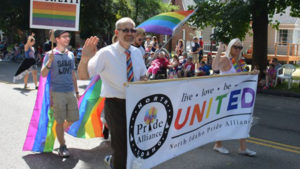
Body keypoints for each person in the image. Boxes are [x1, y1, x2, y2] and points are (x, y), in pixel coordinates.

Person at [77, 17, 147, 169]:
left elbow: (143, 75)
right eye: (125, 30)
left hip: (135, 104)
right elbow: (83, 76)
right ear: (117, 32)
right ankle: (117, 163)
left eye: (132, 30)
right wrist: (85, 58)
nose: (130, 33)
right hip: (115, 104)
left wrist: (144, 80)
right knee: (121, 146)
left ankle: (113, 161)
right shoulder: (105, 53)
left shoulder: (136, 53)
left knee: (134, 142)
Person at [212, 38, 256, 156]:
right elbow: (215, 68)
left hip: (238, 95)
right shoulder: (226, 59)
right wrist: (219, 51)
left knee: (242, 119)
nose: (237, 49)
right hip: (226, 95)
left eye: (240, 47)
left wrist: (252, 74)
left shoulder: (240, 62)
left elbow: (241, 77)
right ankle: (218, 144)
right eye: (235, 47)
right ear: (230, 47)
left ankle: (242, 148)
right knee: (223, 120)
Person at [41, 30, 80, 158]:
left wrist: (77, 91)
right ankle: (62, 146)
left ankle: (58, 132)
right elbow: (43, 74)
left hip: (70, 91)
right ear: (57, 39)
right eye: (64, 37)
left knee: (74, 118)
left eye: (68, 36)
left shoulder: (70, 54)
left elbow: (73, 74)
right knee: (59, 120)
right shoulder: (50, 54)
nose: (67, 39)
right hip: (57, 92)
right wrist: (49, 62)